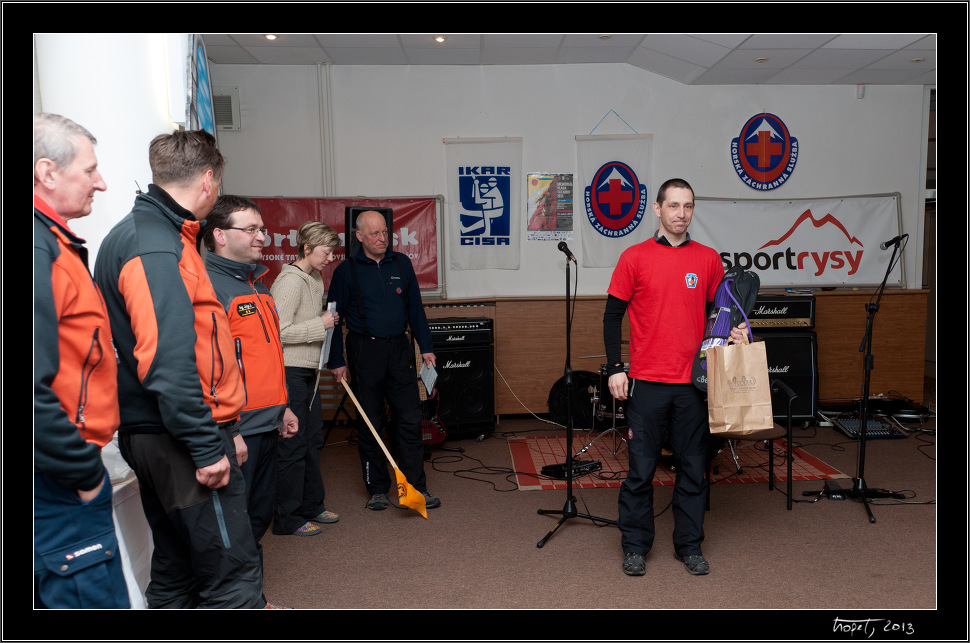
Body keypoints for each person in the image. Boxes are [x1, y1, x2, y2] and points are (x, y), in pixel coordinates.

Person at [93, 129, 264, 608]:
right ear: (209, 180)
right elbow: (168, 362)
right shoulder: (154, 246)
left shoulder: (159, 235)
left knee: (176, 570)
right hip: (178, 439)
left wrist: (227, 428)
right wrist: (209, 445)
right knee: (232, 578)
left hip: (169, 433)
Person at [603, 178, 748, 577]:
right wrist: (617, 367)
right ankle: (634, 546)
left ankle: (689, 546)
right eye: (673, 206)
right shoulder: (634, 257)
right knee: (641, 471)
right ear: (658, 209)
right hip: (646, 383)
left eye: (687, 206)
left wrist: (736, 331)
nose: (680, 213)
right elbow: (612, 316)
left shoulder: (707, 259)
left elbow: (724, 313)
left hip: (693, 386)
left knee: (692, 469)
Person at [33, 113, 130, 609]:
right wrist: (84, 473)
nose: (102, 182)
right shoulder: (37, 250)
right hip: (55, 479)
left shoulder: (56, 244)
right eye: (90, 170)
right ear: (47, 172)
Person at [201, 195, 301, 590]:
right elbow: (208, 369)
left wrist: (284, 407)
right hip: (237, 431)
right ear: (220, 235)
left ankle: (247, 596)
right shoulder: (208, 287)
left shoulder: (258, 286)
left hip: (268, 422)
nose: (263, 236)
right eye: (252, 229)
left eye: (262, 228)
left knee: (257, 516)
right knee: (235, 524)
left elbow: (264, 356)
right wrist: (231, 430)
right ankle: (244, 601)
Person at [326, 210, 440, 511]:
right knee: (370, 422)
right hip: (365, 351)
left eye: (385, 233)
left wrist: (425, 346)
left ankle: (416, 486)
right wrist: (336, 359)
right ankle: (377, 488)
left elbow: (415, 307)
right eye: (374, 234)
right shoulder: (345, 271)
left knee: (410, 420)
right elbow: (334, 319)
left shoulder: (401, 263)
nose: (382, 239)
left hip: (400, 350)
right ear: (359, 236)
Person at [269, 221, 341, 536]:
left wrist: (323, 324)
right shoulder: (290, 282)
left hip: (309, 371)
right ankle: (287, 519)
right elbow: (277, 333)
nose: (330, 258)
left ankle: (312, 506)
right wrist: (320, 324)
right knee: (292, 445)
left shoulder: (314, 278)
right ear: (307, 248)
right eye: (326, 252)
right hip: (289, 372)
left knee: (312, 441)